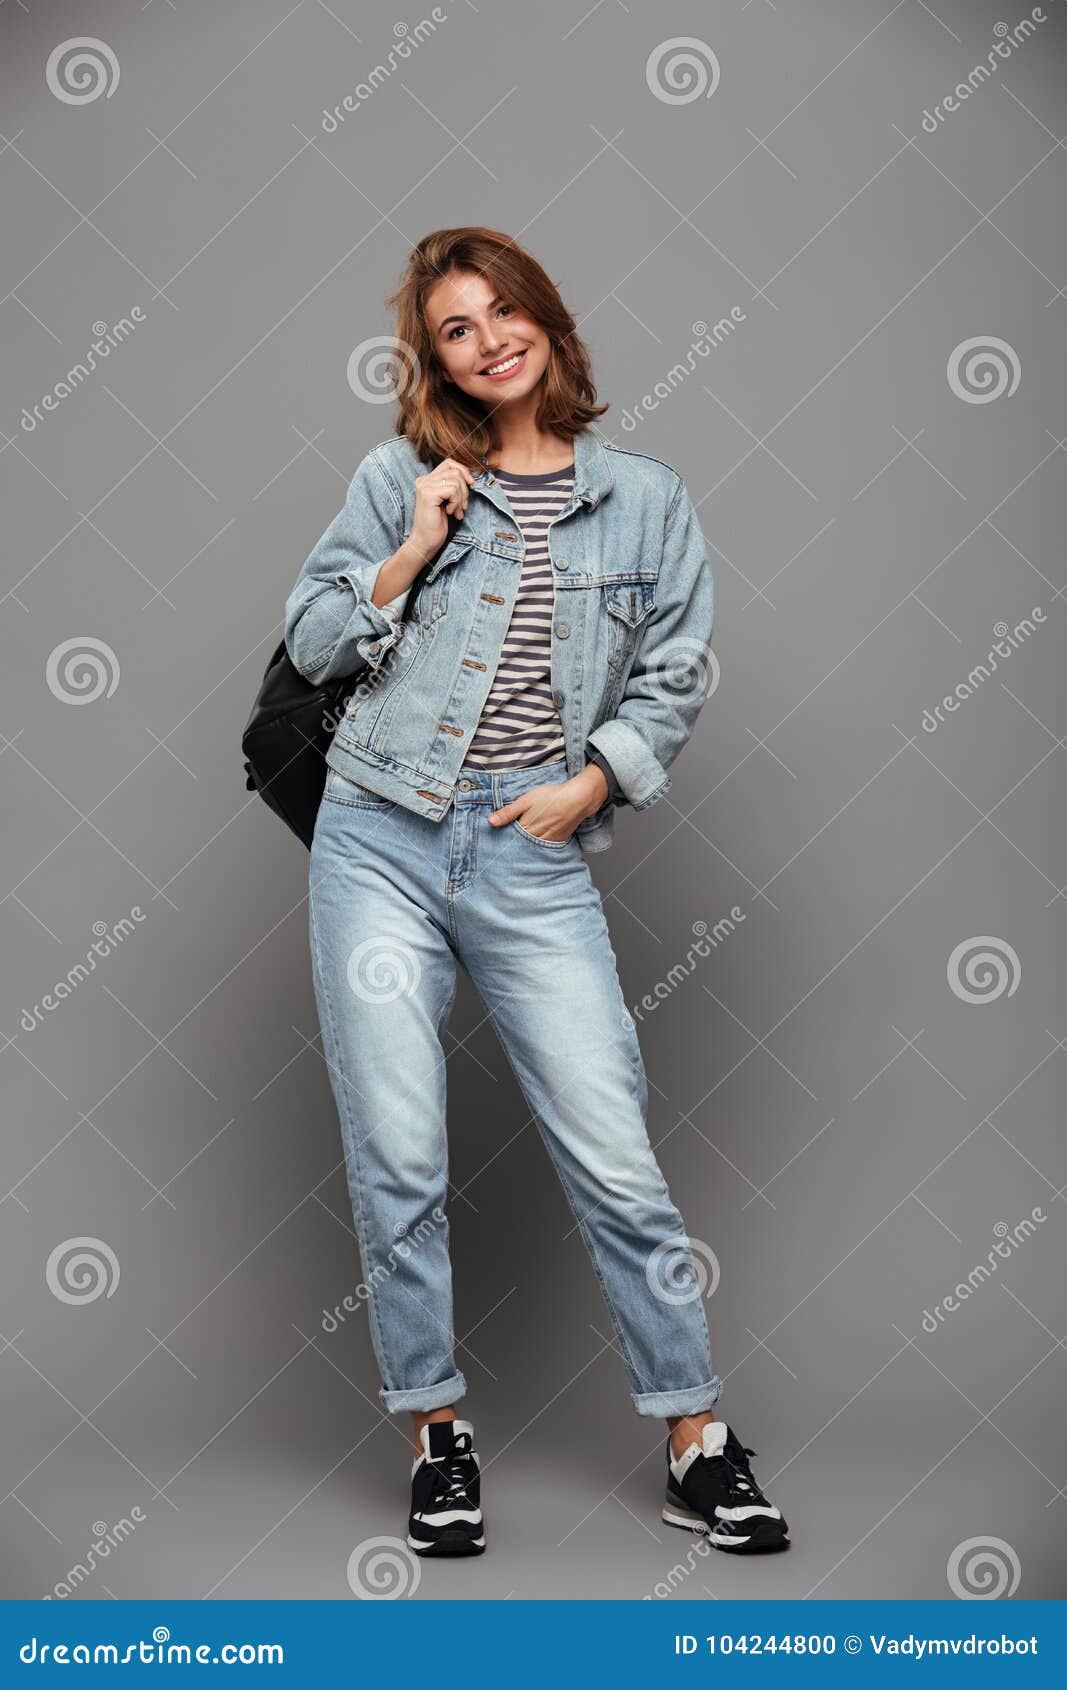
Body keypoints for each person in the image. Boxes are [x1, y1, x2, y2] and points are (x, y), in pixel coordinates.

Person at [284, 227, 788, 1558]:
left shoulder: (646, 498)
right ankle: (437, 1434)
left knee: (613, 1149)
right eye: (457, 326)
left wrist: (598, 779)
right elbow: (314, 633)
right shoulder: (400, 474)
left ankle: (696, 1440)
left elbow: (676, 665)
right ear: (435, 356)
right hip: (378, 834)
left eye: (505, 310)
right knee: (398, 1149)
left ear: (549, 322)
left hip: (528, 849)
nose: (489, 336)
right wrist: (410, 546)